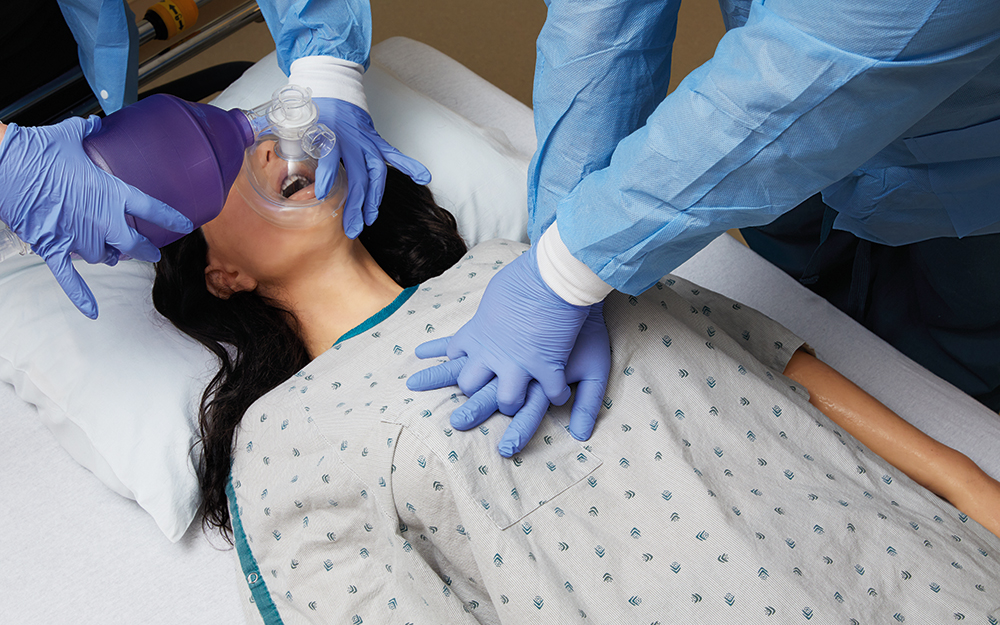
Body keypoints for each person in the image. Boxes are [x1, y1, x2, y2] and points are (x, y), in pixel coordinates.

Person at [151, 144, 1000, 623]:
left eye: (266, 122)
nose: (269, 140)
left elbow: (765, 356)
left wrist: (966, 481)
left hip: (914, 563)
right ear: (221, 273)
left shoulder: (537, 262)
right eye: (225, 154)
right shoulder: (283, 433)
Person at [408, 0, 1000, 454]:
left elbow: (817, 70)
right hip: (772, 158)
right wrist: (566, 228)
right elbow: (603, 22)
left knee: (955, 339)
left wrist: (568, 267)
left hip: (968, 160)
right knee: (800, 270)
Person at [0, 0, 427, 318]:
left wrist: (330, 68)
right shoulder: (277, 422)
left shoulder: (489, 283)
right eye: (221, 174)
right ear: (224, 276)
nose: (275, 144)